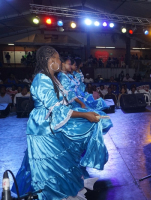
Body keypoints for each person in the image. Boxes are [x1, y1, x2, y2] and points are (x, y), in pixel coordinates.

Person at [12, 46, 113, 199]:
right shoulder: (42, 80)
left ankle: (64, 187)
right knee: (48, 165)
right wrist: (84, 116)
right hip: (43, 128)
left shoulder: (52, 78)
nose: (60, 61)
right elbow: (56, 109)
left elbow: (63, 102)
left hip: (51, 123)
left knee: (60, 159)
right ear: (50, 61)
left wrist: (84, 113)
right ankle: (50, 193)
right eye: (58, 59)